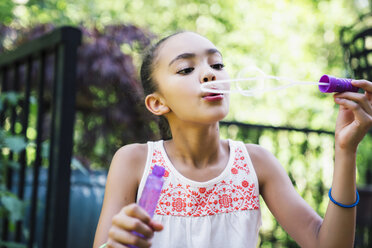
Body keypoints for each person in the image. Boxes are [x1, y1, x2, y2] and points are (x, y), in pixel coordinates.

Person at [93, 31, 372, 248]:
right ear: (157, 103)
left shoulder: (257, 162)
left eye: (217, 63)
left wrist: (345, 151)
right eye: (186, 69)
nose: (210, 73)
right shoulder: (134, 162)